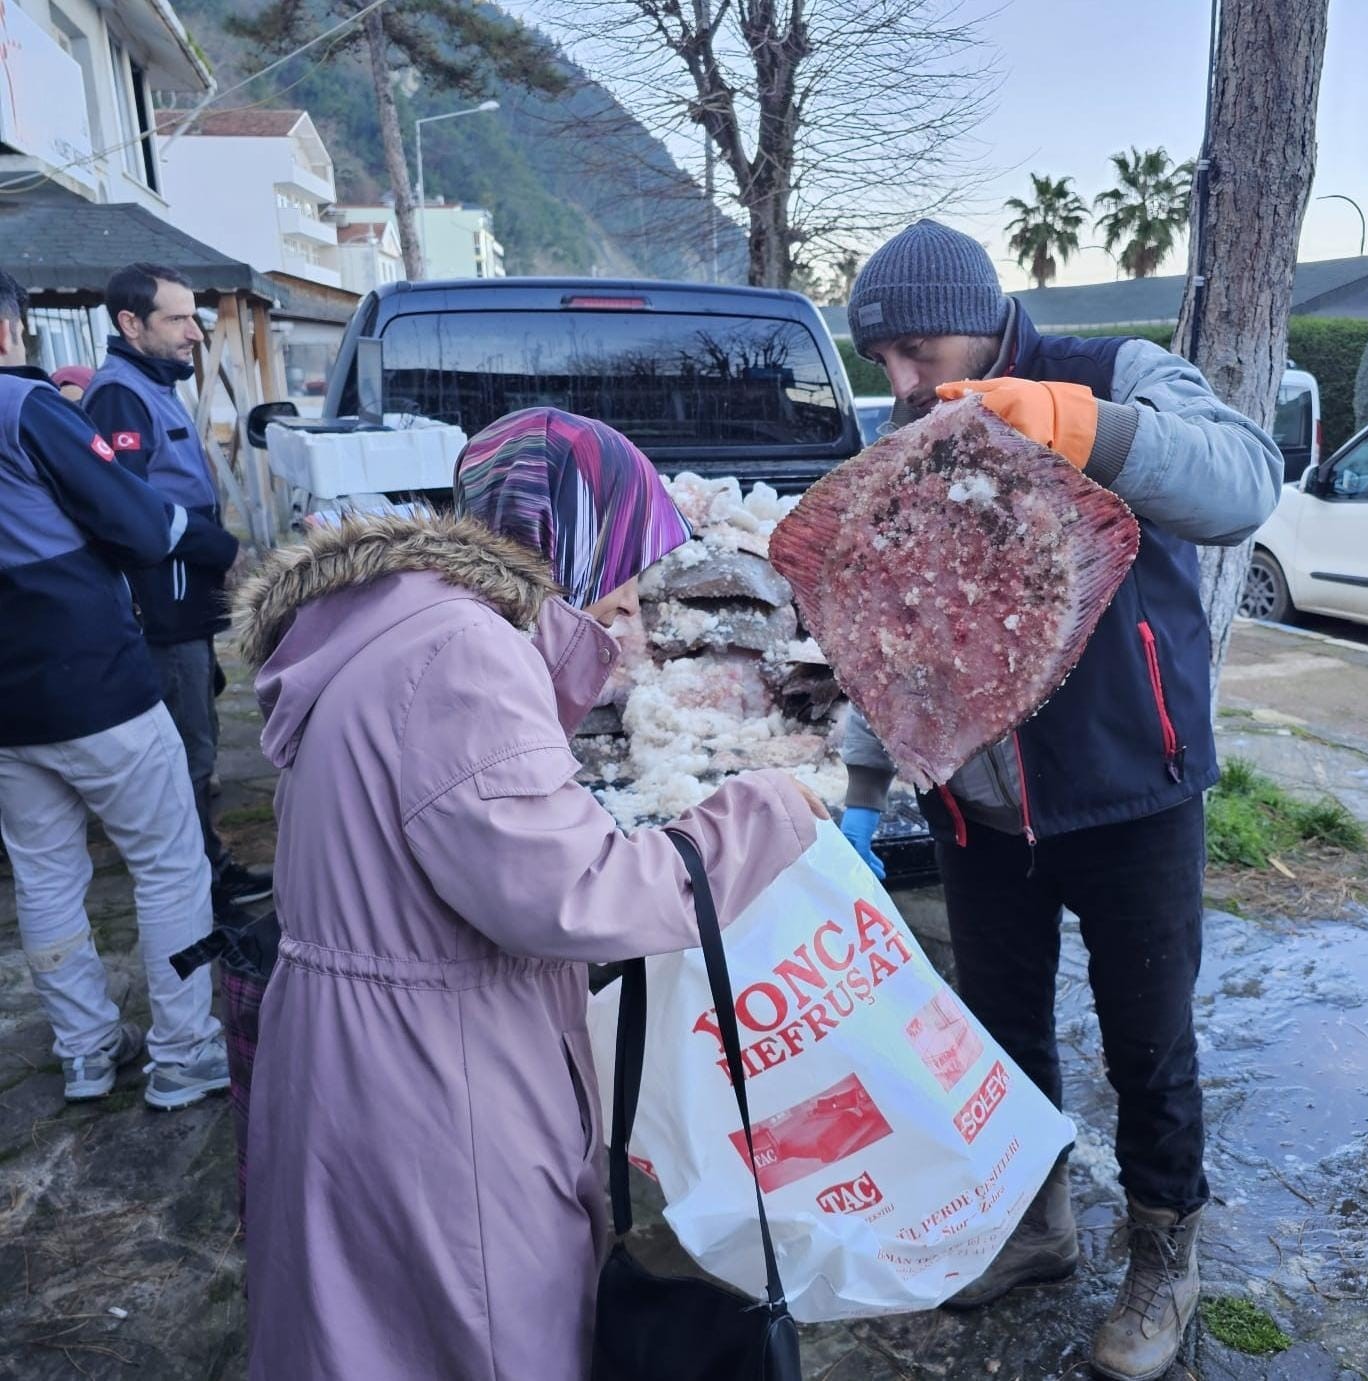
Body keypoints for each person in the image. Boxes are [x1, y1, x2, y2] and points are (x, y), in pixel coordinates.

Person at [235, 407, 826, 1381]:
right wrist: (766, 809)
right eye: (629, 576)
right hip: (432, 1084)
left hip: (369, 1055)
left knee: (375, 1335)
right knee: (495, 1332)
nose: (633, 610)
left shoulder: (406, 617)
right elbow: (575, 892)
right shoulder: (464, 653)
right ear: (576, 541)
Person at [837, 221, 1282, 1381]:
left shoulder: (1111, 374)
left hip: (1132, 790)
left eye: (916, 350)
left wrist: (1081, 428)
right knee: (998, 1038)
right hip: (979, 809)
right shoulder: (905, 436)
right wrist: (861, 784)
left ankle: (1162, 1258)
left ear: (980, 316)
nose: (902, 381)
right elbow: (884, 632)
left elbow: (1244, 483)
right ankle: (1036, 1227)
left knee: (1149, 1041)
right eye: (881, 360)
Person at [0, 268, 230, 1109]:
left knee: (47, 876)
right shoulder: (26, 407)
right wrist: (209, 541)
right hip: (92, 678)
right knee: (171, 864)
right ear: (7, 330)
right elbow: (134, 519)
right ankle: (185, 1050)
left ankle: (87, 1050)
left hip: (7, 709)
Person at [82, 264, 269, 916]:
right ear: (130, 324)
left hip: (186, 607)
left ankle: (206, 866)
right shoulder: (119, 396)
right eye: (178, 318)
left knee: (202, 735)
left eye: (196, 317)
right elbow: (129, 510)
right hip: (159, 612)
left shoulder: (153, 384)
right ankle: (197, 889)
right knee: (187, 752)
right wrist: (222, 549)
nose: (195, 331)